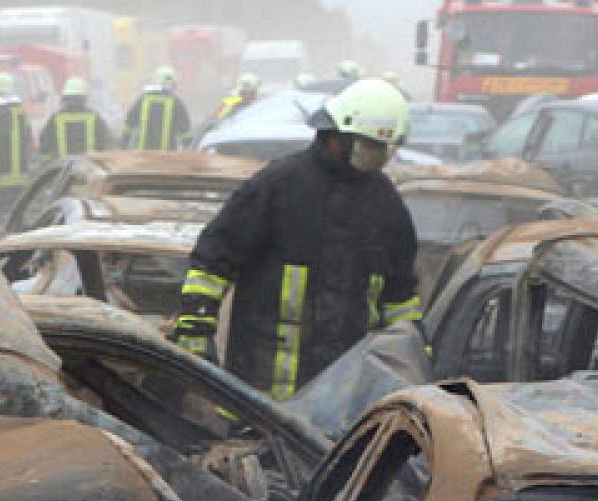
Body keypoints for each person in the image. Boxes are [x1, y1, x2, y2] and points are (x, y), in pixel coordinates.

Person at [174, 79, 420, 401]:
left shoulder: (386, 206)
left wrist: (414, 357)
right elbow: (213, 262)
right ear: (337, 136)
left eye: (385, 150)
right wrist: (195, 334)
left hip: (342, 409)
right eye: (369, 147)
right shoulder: (278, 187)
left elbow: (400, 299)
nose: (378, 158)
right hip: (260, 404)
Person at [0, 72, 33, 214]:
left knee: (5, 217)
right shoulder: (21, 113)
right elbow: (28, 139)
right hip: (22, 175)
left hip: (3, 177)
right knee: (19, 215)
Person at [40, 77, 114, 158]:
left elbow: (45, 147)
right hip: (90, 167)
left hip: (62, 168)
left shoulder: (55, 119)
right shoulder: (94, 118)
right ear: (84, 97)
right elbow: (106, 144)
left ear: (65, 97)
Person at [124, 66, 191, 151]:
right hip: (166, 158)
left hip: (142, 156)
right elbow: (185, 132)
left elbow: (128, 126)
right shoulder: (176, 103)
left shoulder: (142, 100)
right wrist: (190, 149)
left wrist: (123, 144)